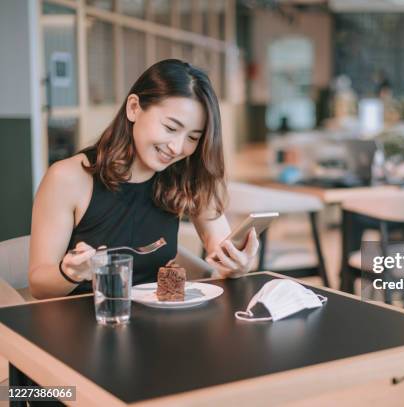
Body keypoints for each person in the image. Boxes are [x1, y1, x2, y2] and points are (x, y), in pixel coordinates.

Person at [29, 59, 259, 299]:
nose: (177, 147)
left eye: (192, 138)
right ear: (134, 108)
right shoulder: (68, 178)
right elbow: (39, 285)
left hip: (156, 323)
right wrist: (71, 273)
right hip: (83, 322)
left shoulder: (186, 175)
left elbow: (221, 248)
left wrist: (239, 264)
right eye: (170, 128)